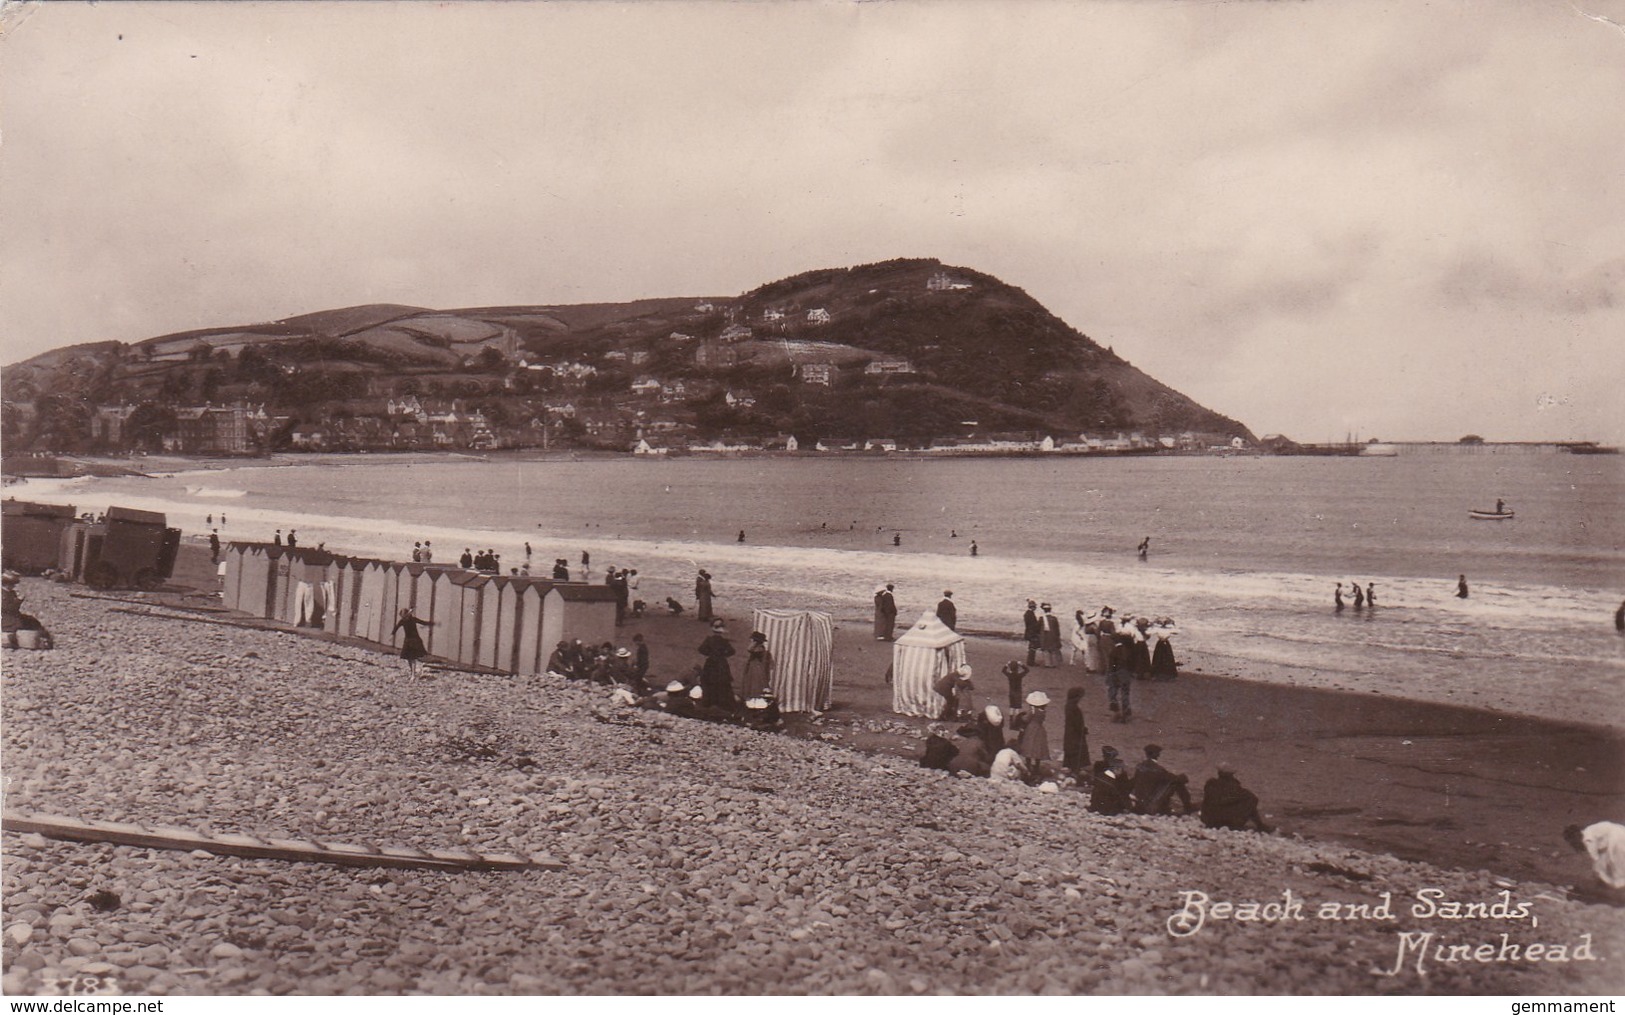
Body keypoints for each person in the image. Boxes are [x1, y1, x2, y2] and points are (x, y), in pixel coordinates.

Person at [1200, 764, 1272, 832]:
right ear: (1231, 775)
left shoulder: (1210, 784)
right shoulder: (1233, 787)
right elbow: (1253, 798)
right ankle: (1260, 825)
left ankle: (1260, 825)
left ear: (1219, 773)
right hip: (1224, 822)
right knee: (1250, 800)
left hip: (1209, 820)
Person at [1563, 821, 1625, 892]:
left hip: (1618, 838)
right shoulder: (1588, 831)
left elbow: (1597, 863)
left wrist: (1602, 877)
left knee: (1617, 868)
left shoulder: (1588, 840)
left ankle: (1618, 890)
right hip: (1621, 830)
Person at [1131, 744, 1193, 815]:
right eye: (1158, 753)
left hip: (1140, 803)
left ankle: (1182, 806)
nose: (1159, 755)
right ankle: (1187, 806)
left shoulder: (1139, 767)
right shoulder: (1157, 769)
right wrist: (1182, 777)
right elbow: (1172, 778)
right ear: (1156, 755)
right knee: (1177, 782)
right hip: (1151, 805)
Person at [697, 619, 737, 711]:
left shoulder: (709, 640)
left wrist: (710, 654)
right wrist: (723, 655)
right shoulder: (724, 641)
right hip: (721, 664)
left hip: (711, 663)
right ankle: (723, 704)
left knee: (709, 682)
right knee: (723, 683)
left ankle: (709, 702)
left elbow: (701, 649)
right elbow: (732, 651)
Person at [1012, 690, 1052, 775]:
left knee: (1028, 747)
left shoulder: (1032, 710)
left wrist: (1021, 716)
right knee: (1038, 748)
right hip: (1040, 729)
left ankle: (1028, 765)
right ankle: (1037, 767)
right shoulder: (1043, 711)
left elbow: (1026, 719)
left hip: (1031, 729)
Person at [392, 607, 434, 678]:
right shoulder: (402, 621)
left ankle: (413, 675)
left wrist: (431, 624)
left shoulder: (413, 619)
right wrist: (392, 635)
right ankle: (412, 672)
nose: (404, 618)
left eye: (404, 616)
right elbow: (396, 628)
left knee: (412, 657)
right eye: (403, 617)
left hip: (415, 640)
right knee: (408, 658)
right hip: (407, 640)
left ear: (407, 615)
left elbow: (422, 622)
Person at [1089, 747, 1132, 814]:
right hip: (1109, 809)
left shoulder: (1100, 769)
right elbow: (1122, 792)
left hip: (1097, 805)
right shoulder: (1114, 780)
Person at [1106, 632, 1134, 721]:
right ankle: (1125, 711)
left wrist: (1110, 674)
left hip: (1115, 674)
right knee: (1125, 693)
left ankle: (1116, 712)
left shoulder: (1114, 651)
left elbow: (1111, 665)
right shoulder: (1127, 650)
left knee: (1113, 693)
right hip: (1125, 673)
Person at [739, 631, 775, 701]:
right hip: (753, 668)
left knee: (755, 684)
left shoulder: (759, 648)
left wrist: (754, 642)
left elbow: (749, 649)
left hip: (756, 669)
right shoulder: (759, 648)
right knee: (751, 683)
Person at [1061, 687, 1089, 774]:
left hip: (1070, 732)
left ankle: (1070, 766)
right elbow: (1076, 722)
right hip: (1075, 733)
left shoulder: (1068, 706)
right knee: (1076, 750)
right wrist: (1083, 729)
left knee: (1070, 749)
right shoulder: (1074, 708)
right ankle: (1075, 768)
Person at [1039, 603, 1062, 667]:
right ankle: (1054, 663)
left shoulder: (1041, 618)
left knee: (1046, 650)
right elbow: (1057, 629)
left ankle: (1047, 663)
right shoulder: (1054, 618)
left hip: (1044, 636)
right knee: (1053, 650)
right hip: (1053, 635)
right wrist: (1058, 637)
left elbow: (1038, 627)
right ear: (1050, 610)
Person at [1022, 600, 1042, 666]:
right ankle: (1031, 662)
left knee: (1031, 647)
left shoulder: (1027, 614)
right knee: (1033, 648)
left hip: (1029, 632)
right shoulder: (1031, 614)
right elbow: (1033, 625)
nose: (1035, 608)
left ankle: (1030, 661)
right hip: (1032, 633)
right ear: (1033, 607)